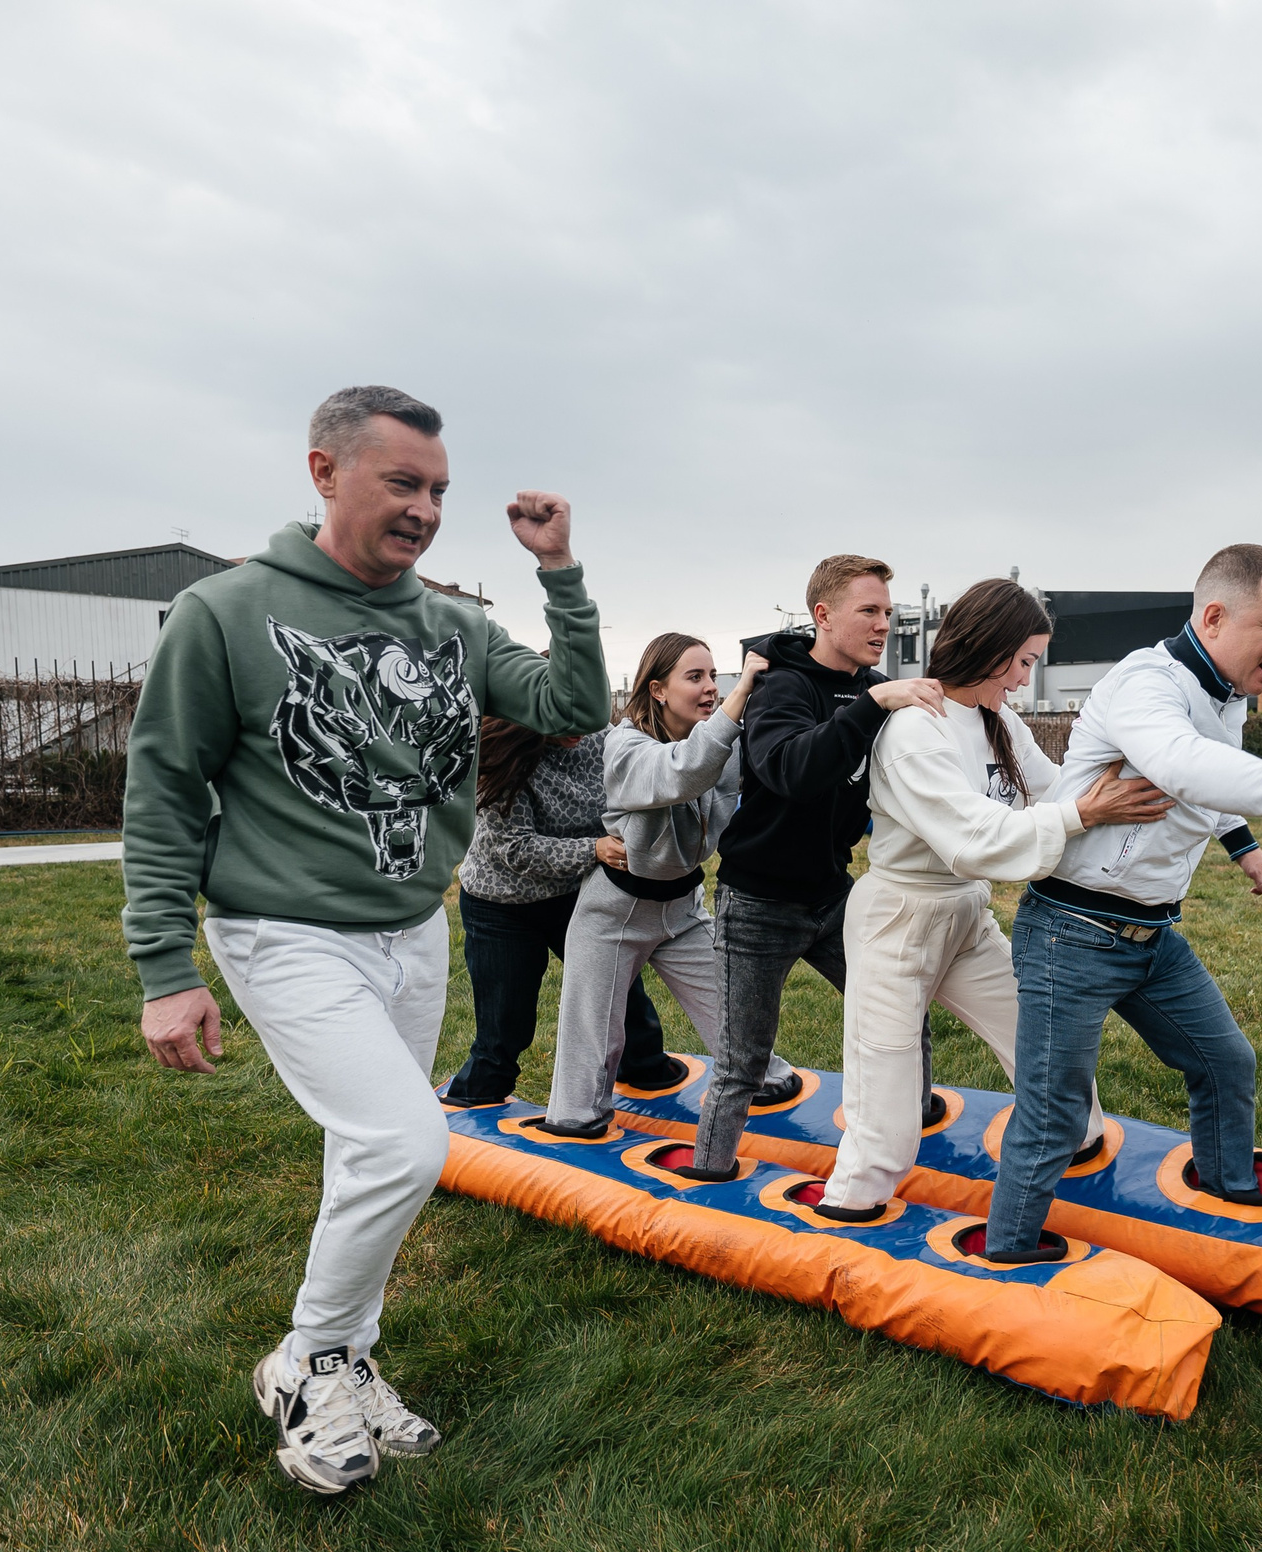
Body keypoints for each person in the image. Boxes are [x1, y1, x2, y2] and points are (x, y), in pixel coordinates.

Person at [125, 385, 609, 1494]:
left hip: (412, 927)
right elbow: (162, 793)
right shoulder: (225, 611)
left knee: (369, 1153)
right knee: (406, 1145)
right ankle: (307, 1362)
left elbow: (572, 701)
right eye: (403, 482)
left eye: (439, 489)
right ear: (324, 472)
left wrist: (559, 572)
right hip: (285, 928)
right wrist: (166, 968)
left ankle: (347, 1358)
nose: (426, 508)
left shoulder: (451, 622)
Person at [980, 544, 1262, 1262]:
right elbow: (1184, 760)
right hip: (1070, 932)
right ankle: (1007, 1252)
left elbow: (1211, 780)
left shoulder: (1225, 692)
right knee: (1055, 1113)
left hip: (1151, 938)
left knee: (1226, 1062)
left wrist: (1244, 845)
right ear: (1214, 616)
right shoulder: (1143, 684)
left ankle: (1226, 1186)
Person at [815, 579, 1170, 1218]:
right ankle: (853, 1203)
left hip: (963, 913)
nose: (1024, 681)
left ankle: (1076, 1140)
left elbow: (1052, 789)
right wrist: (1082, 817)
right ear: (992, 649)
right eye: (1026, 662)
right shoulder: (913, 730)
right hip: (898, 920)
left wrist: (1115, 788)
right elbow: (973, 839)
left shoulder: (995, 717)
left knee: (1040, 1036)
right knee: (887, 1085)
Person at [681, 556, 949, 1179]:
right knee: (743, 1060)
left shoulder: (872, 687)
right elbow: (792, 771)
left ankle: (919, 1136)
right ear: (823, 616)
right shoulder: (785, 687)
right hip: (758, 904)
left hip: (833, 895)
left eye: (888, 612)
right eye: (869, 611)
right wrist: (873, 703)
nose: (883, 624)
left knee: (903, 1013)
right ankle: (709, 1172)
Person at [538, 634, 796, 1137]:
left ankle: (761, 1074)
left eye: (712, 675)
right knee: (593, 1031)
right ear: (657, 689)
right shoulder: (626, 745)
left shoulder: (718, 738)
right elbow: (681, 773)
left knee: (731, 1006)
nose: (709, 688)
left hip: (681, 905)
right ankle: (576, 1115)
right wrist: (739, 696)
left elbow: (767, 764)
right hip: (616, 910)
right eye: (694, 677)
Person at [438, 717, 685, 1109]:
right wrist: (595, 850)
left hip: (572, 894)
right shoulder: (502, 757)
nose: (580, 728)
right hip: (502, 906)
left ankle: (643, 1066)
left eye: (586, 715)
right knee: (506, 1025)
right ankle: (475, 1096)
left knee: (620, 995)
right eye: (567, 718)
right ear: (538, 708)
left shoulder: (602, 740)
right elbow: (515, 849)